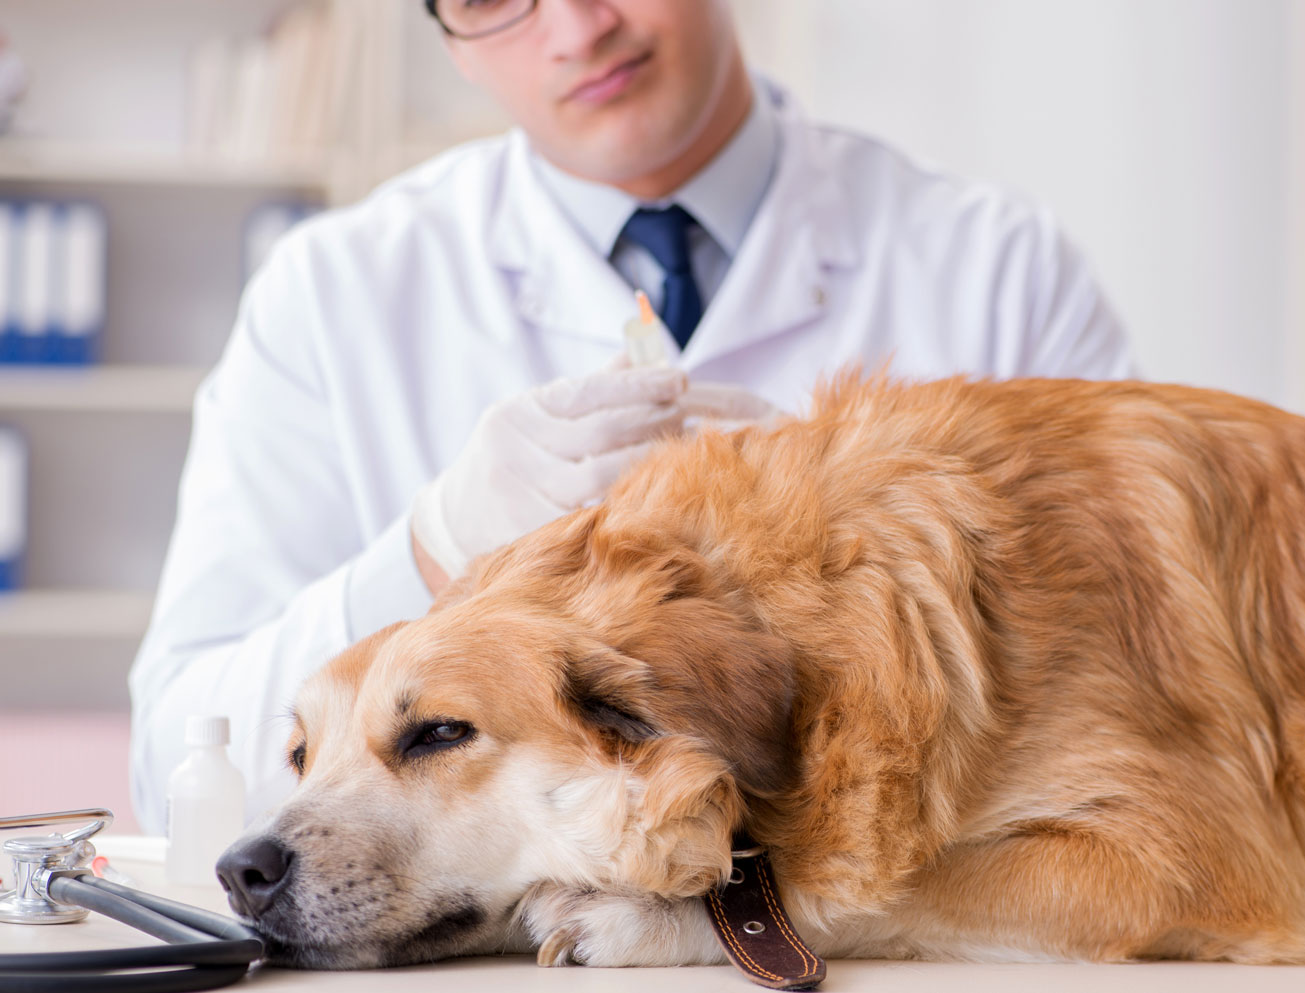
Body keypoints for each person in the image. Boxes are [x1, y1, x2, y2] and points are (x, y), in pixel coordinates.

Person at [128, 0, 1137, 833]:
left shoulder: (999, 269)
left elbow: (1144, 708)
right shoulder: (333, 292)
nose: (574, 26)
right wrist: (432, 553)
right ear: (449, 42)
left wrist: (851, 535)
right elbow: (178, 778)